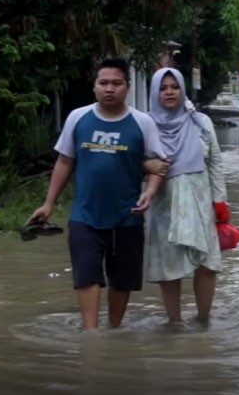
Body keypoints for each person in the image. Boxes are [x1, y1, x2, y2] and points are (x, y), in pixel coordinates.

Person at [27, 58, 166, 330]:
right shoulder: (78, 118)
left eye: (116, 83)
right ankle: (91, 334)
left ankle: (113, 330)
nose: (109, 88)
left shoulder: (143, 123)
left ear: (127, 87)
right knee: (86, 276)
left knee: (122, 281)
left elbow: (159, 165)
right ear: (94, 87)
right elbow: (65, 161)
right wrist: (48, 204)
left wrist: (149, 193)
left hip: (128, 216)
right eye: (103, 83)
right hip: (84, 215)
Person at [143, 68, 229, 324]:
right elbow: (131, 161)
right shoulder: (145, 125)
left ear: (182, 90)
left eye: (174, 87)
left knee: (207, 264)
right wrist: (146, 165)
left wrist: (220, 201)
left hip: (200, 201)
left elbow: (215, 163)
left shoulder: (200, 122)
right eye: (163, 88)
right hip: (164, 203)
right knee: (168, 266)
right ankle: (175, 323)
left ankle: (203, 320)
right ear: (155, 92)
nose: (169, 92)